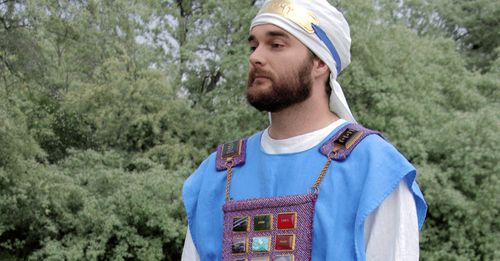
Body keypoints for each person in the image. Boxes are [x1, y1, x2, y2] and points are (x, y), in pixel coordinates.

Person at [181, 0, 427, 260]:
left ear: (320, 63)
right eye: (254, 46)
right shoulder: (216, 173)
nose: (255, 57)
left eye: (276, 45)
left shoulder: (374, 170)